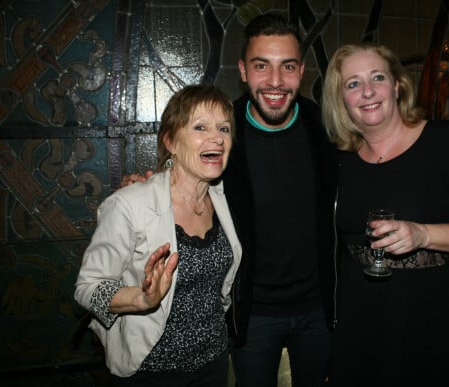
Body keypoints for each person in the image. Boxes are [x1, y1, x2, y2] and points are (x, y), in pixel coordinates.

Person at [121, 13, 337, 387]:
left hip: (320, 310)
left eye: (287, 66)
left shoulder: (327, 129)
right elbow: (183, 174)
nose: (274, 81)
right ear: (242, 70)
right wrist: (147, 185)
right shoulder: (223, 130)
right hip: (250, 313)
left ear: (302, 71)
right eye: (260, 66)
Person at [321, 42, 449, 387]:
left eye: (377, 77)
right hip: (357, 331)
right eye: (352, 84)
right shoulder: (338, 160)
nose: (367, 92)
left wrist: (423, 234)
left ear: (396, 85)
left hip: (426, 328)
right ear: (341, 99)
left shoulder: (443, 144)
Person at [74, 84, 242, 387]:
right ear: (170, 142)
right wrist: (141, 298)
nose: (217, 137)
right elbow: (87, 289)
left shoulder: (227, 200)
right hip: (150, 371)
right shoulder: (130, 204)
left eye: (224, 128)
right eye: (200, 127)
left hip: (214, 363)